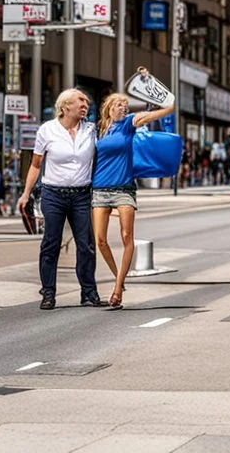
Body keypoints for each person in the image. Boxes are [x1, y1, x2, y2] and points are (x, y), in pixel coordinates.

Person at [17, 89, 104, 310]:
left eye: (86, 101)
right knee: (51, 244)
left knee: (86, 245)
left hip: (82, 195)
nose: (85, 105)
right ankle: (48, 293)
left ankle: (89, 293)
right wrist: (26, 194)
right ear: (65, 107)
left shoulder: (91, 130)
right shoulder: (47, 130)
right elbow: (36, 165)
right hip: (53, 195)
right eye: (80, 101)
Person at [92, 84, 177, 309]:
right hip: (99, 189)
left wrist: (168, 103)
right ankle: (118, 276)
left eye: (126, 105)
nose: (123, 108)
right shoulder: (99, 129)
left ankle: (118, 288)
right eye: (119, 104)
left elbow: (163, 111)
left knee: (127, 236)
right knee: (100, 240)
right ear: (109, 108)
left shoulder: (129, 124)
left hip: (124, 189)